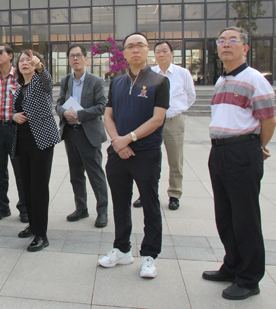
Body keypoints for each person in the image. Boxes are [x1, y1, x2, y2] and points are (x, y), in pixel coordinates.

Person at [202, 27, 276, 300]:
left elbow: (269, 119)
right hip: (219, 152)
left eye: (233, 40)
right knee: (225, 215)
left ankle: (249, 278)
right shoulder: (221, 81)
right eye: (221, 40)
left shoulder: (254, 79)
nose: (226, 44)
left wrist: (256, 147)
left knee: (245, 217)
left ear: (245, 48)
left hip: (242, 152)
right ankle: (232, 265)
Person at [98, 32, 169, 279]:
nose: (135, 49)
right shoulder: (116, 82)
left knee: (150, 203)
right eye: (130, 46)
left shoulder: (159, 81)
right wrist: (118, 143)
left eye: (140, 45)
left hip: (146, 152)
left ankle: (149, 255)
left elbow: (158, 119)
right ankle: (122, 249)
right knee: (120, 202)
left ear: (147, 50)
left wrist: (128, 139)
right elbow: (108, 116)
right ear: (124, 53)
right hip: (118, 153)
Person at [11, 50, 61, 252]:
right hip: (23, 143)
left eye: (28, 60)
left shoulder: (41, 83)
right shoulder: (19, 88)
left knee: (39, 188)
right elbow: (16, 110)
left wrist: (39, 66)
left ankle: (42, 234)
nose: (25, 63)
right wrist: (13, 116)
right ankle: (33, 225)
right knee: (27, 186)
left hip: (41, 142)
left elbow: (48, 81)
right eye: (21, 60)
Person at [137, 41, 195, 211]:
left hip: (173, 121)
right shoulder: (149, 74)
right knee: (148, 159)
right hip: (151, 122)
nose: (161, 54)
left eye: (164, 51)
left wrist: (177, 109)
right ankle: (147, 193)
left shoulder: (182, 73)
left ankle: (174, 194)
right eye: (158, 52)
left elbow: (191, 96)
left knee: (175, 159)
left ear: (171, 54)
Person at [56, 44, 109, 228]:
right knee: (76, 174)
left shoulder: (96, 81)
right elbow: (59, 103)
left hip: (89, 133)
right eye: (72, 56)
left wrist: (79, 114)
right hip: (71, 133)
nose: (75, 59)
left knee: (96, 174)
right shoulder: (66, 80)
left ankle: (102, 211)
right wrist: (64, 113)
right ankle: (81, 208)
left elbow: (101, 106)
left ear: (86, 58)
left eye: (79, 55)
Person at [0, 43, 27, 223]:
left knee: (20, 169)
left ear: (10, 55)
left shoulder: (21, 76)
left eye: (0, 52)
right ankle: (2, 207)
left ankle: (25, 208)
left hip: (16, 128)